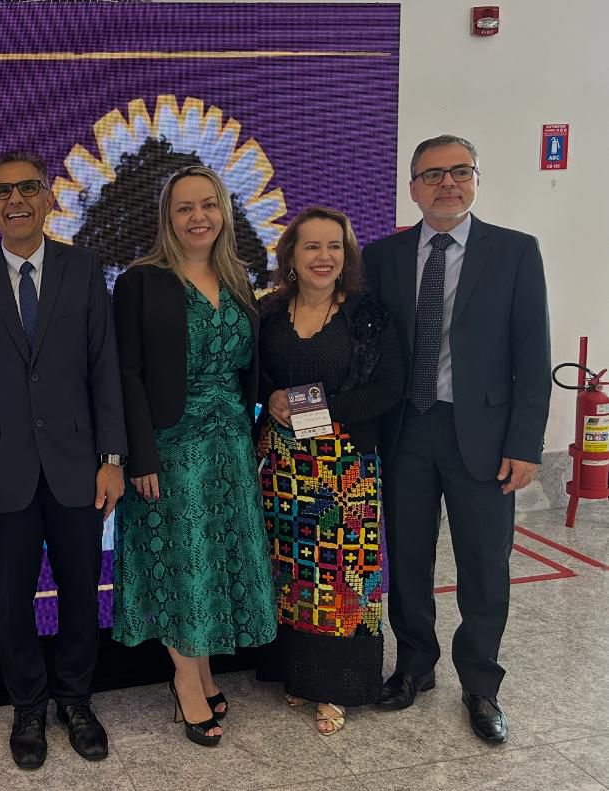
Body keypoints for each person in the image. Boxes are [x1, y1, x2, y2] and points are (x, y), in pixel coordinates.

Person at [0, 150, 127, 769]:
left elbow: (105, 371)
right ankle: (27, 707)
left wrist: (112, 456)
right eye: (1, 192)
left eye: (27, 188)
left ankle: (75, 699)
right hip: (0, 474)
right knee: (12, 597)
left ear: (49, 198)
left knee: (78, 591)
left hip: (78, 466)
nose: (15, 200)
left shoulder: (84, 269)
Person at [364, 135, 551, 743]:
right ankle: (415, 665)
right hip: (405, 431)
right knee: (409, 558)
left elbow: (532, 353)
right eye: (433, 174)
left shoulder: (516, 252)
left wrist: (525, 443)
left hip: (485, 435)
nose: (448, 183)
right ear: (413, 186)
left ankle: (481, 681)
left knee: (483, 567)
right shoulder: (384, 256)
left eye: (460, 171)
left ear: (475, 179)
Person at [111, 165, 276, 747]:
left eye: (208, 205)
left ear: (224, 212)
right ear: (167, 217)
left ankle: (202, 669)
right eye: (185, 207)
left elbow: (246, 368)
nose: (198, 217)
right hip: (171, 446)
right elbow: (126, 375)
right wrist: (140, 456)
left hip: (230, 443)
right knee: (185, 564)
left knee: (217, 558)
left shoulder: (238, 277)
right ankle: (185, 683)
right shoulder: (140, 282)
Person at [255, 206, 405, 734]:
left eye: (334, 246)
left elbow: (388, 388)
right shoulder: (270, 312)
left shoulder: (367, 315)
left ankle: (339, 686)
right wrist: (270, 395)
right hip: (282, 470)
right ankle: (297, 674)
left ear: (348, 255)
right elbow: (249, 375)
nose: (324, 257)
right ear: (291, 255)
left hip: (344, 471)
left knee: (343, 581)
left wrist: (312, 403)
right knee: (292, 574)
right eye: (312, 246)